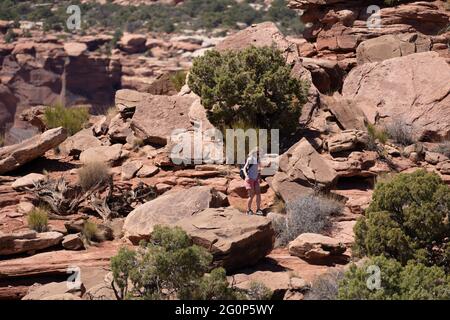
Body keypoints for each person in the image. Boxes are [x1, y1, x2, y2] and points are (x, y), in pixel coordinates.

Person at [243, 147, 263, 216]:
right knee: (251, 196)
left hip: (255, 179)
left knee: (258, 194)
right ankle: (248, 210)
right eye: (258, 152)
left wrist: (259, 176)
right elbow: (244, 168)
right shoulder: (250, 159)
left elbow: (259, 167)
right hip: (249, 179)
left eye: (259, 152)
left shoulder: (258, 159)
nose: (259, 153)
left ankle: (258, 209)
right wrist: (246, 176)